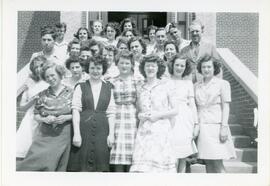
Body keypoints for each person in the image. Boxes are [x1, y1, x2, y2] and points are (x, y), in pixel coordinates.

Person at [17, 62, 73, 171]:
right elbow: (36, 115)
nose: (50, 79)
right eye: (47, 77)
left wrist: (66, 117)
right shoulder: (42, 94)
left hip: (63, 135)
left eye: (53, 75)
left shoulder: (72, 92)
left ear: (60, 75)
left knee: (57, 166)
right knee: (32, 163)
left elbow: (79, 113)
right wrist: (44, 119)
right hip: (44, 135)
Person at [130, 54, 178, 173]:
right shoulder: (140, 87)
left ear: (158, 68)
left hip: (161, 130)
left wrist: (158, 115)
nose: (150, 69)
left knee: (160, 169)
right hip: (144, 131)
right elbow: (138, 110)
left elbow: (175, 110)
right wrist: (140, 115)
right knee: (142, 169)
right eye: (147, 66)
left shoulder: (167, 85)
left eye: (153, 66)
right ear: (143, 68)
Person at [67, 56, 115, 172]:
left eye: (98, 68)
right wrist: (77, 134)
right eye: (92, 68)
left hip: (102, 131)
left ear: (103, 69)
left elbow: (111, 112)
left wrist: (111, 134)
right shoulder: (81, 86)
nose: (95, 71)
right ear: (88, 69)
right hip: (83, 130)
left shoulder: (109, 87)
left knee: (100, 166)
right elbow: (75, 110)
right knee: (80, 166)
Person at [194, 55, 236, 173]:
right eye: (203, 67)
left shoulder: (223, 84)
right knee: (208, 162)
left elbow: (226, 107)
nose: (206, 69)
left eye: (209, 67)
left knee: (217, 162)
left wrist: (224, 127)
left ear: (214, 68)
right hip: (202, 127)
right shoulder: (196, 86)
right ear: (200, 69)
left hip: (216, 127)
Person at [110, 51, 140, 172]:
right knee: (117, 149)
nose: (124, 65)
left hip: (132, 117)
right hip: (117, 117)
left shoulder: (137, 81)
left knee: (132, 150)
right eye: (121, 63)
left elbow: (139, 102)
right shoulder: (112, 81)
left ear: (132, 65)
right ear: (117, 64)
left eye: (127, 63)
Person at [168, 55, 199, 173]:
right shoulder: (166, 82)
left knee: (183, 155)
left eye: (182, 65)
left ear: (185, 68)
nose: (179, 68)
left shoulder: (188, 83)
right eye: (177, 65)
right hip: (170, 119)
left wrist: (196, 124)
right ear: (172, 65)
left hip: (185, 120)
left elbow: (192, 105)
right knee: (171, 154)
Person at [17, 25, 62, 103]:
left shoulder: (59, 57)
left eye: (49, 40)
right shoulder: (35, 56)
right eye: (44, 40)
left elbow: (61, 78)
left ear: (54, 41)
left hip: (52, 92)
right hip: (36, 91)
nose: (46, 42)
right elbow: (30, 76)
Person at [16, 56, 49, 159]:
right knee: (24, 150)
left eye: (41, 66)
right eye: (36, 67)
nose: (38, 69)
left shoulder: (50, 81)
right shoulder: (29, 83)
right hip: (30, 118)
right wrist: (33, 100)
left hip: (46, 117)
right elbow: (22, 107)